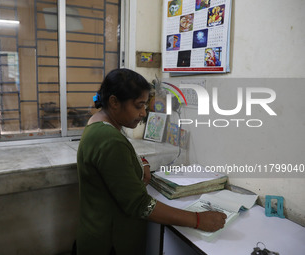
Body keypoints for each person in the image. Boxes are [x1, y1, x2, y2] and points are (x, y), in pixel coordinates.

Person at [76, 68, 226, 255]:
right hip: (111, 242)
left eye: (145, 105)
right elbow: (141, 205)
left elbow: (115, 160)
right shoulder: (108, 138)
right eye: (138, 105)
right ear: (114, 102)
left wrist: (143, 163)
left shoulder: (99, 123)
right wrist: (197, 219)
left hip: (97, 231)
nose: (143, 113)